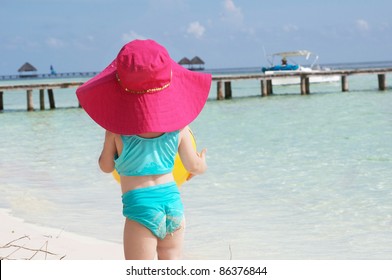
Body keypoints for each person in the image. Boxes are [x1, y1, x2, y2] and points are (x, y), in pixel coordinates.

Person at [76, 39, 211, 259]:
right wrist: (200, 163)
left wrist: (109, 148)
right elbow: (193, 166)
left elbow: (106, 166)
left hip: (141, 210)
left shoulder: (116, 131)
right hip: (173, 204)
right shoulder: (179, 128)